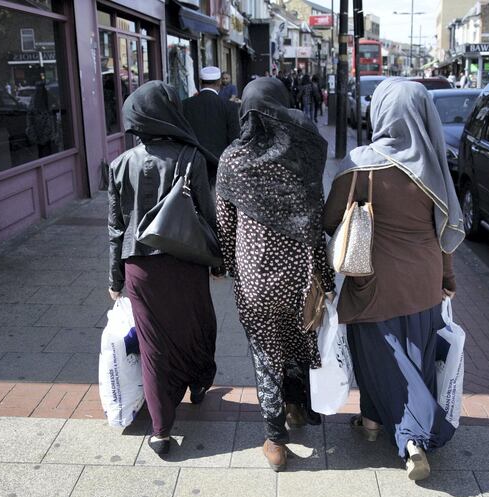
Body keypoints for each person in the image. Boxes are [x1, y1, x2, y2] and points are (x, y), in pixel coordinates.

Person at [324, 78, 465, 481]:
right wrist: (448, 277)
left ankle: (414, 437)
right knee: (413, 359)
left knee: (377, 357)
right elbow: (445, 231)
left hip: (372, 281)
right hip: (424, 281)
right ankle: (372, 422)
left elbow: (330, 219)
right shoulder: (433, 167)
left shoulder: (360, 164)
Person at [216, 77, 334, 472]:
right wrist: (326, 277)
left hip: (255, 276)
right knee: (299, 340)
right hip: (300, 273)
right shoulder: (303, 155)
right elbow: (316, 223)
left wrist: (233, 269)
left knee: (267, 353)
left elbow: (225, 226)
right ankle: (298, 409)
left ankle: (274, 439)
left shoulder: (232, 159)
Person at [108, 81, 220, 457]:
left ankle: (161, 430)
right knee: (196, 327)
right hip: (187, 261)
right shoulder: (192, 157)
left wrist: (115, 278)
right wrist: (218, 260)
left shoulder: (121, 164)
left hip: (139, 266)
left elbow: (116, 227)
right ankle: (199, 383)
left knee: (153, 345)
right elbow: (207, 214)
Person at [182, 66, 240, 170]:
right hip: (220, 164)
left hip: (193, 163)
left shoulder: (185, 104)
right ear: (219, 82)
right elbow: (234, 139)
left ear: (200, 82)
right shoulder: (229, 106)